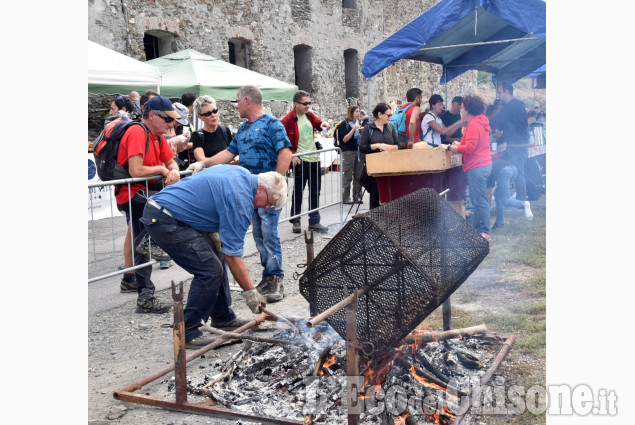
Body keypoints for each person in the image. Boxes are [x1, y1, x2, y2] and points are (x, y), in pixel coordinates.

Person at [138, 165, 285, 347]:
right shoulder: (241, 201)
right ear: (261, 189)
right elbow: (233, 256)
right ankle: (188, 331)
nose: (266, 207)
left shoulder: (242, 174)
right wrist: (250, 293)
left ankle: (222, 317)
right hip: (166, 218)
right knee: (210, 270)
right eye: (268, 202)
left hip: (168, 211)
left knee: (217, 259)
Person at [187, 85, 293, 303]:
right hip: (250, 193)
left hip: (267, 194)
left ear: (247, 100)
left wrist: (277, 184)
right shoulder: (244, 130)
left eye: (237, 100)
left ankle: (275, 277)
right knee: (260, 235)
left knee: (269, 234)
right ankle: (268, 276)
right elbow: (227, 154)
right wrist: (204, 164)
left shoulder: (273, 124)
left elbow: (285, 153)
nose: (235, 106)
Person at [116, 96, 182, 308]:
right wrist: (163, 170)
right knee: (141, 242)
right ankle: (145, 297)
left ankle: (140, 288)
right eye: (167, 119)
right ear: (151, 115)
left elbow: (172, 160)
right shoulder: (137, 132)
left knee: (142, 239)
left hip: (144, 193)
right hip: (132, 194)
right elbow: (136, 170)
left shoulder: (157, 135)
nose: (171, 124)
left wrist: (173, 170)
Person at [281, 90, 330, 234]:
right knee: (298, 192)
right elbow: (282, 141)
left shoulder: (309, 115)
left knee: (315, 191)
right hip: (300, 160)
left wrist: (323, 124)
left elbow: (318, 123)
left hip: (314, 158)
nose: (308, 106)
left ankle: (314, 221)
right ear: (296, 104)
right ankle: (296, 220)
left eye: (309, 103)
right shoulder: (287, 119)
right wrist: (292, 155)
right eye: (305, 103)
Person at [444, 95, 492, 240]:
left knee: (479, 200)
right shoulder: (479, 121)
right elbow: (472, 144)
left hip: (477, 166)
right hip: (482, 164)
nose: (461, 110)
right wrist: (459, 145)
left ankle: (483, 231)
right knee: (478, 198)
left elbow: (470, 148)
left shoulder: (473, 124)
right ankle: (479, 230)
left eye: (463, 108)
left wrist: (448, 147)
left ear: (468, 110)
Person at [489, 81, 530, 202]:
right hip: (519, 143)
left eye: (500, 92)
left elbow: (498, 120)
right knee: (518, 171)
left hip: (517, 144)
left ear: (507, 92)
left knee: (518, 172)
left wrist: (484, 123)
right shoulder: (517, 104)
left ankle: (521, 200)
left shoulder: (511, 106)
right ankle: (518, 198)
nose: (498, 95)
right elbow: (507, 123)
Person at [358, 103, 400, 210]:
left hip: (390, 167)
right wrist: (377, 145)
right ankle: (374, 224)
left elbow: (398, 145)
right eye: (388, 115)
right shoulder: (369, 128)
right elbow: (362, 147)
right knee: (375, 196)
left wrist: (390, 147)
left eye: (391, 115)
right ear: (380, 114)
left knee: (390, 196)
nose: (390, 118)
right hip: (375, 168)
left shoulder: (390, 127)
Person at [487, 158, 533, 230]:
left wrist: (487, 211)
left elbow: (489, 195)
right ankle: (499, 223)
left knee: (505, 198)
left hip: (504, 171)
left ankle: (523, 204)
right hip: (513, 169)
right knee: (498, 195)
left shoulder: (485, 168)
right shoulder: (489, 160)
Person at [191, 95, 233, 165]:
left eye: (215, 111)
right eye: (208, 114)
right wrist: (226, 160)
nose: (213, 115)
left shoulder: (225, 130)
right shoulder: (197, 135)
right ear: (200, 117)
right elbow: (202, 161)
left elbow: (234, 153)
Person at [336, 105, 364, 205]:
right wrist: (353, 130)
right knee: (347, 175)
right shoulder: (344, 124)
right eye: (356, 111)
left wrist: (361, 131)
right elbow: (344, 139)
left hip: (358, 151)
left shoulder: (359, 123)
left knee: (358, 175)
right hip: (348, 152)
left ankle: (357, 196)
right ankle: (346, 197)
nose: (358, 113)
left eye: (359, 111)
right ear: (351, 113)